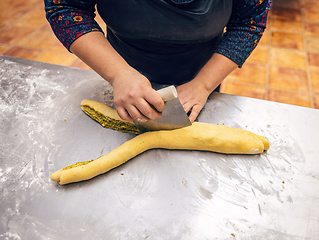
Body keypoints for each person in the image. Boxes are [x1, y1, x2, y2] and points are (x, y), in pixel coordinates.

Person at [44, 0, 272, 123]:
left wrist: (202, 85)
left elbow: (248, 23)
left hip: (202, 73)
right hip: (118, 69)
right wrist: (118, 74)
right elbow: (66, 7)